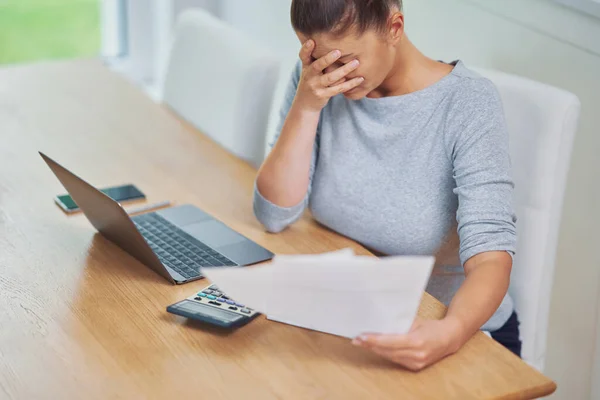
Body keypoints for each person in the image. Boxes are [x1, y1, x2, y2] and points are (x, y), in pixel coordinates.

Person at [253, 0, 520, 371]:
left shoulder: (467, 103)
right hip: (357, 320)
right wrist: (307, 106)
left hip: (453, 335)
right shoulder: (317, 83)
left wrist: (451, 331)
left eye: (344, 59)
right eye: (316, 58)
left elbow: (491, 258)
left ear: (394, 28)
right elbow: (273, 215)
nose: (331, 73)